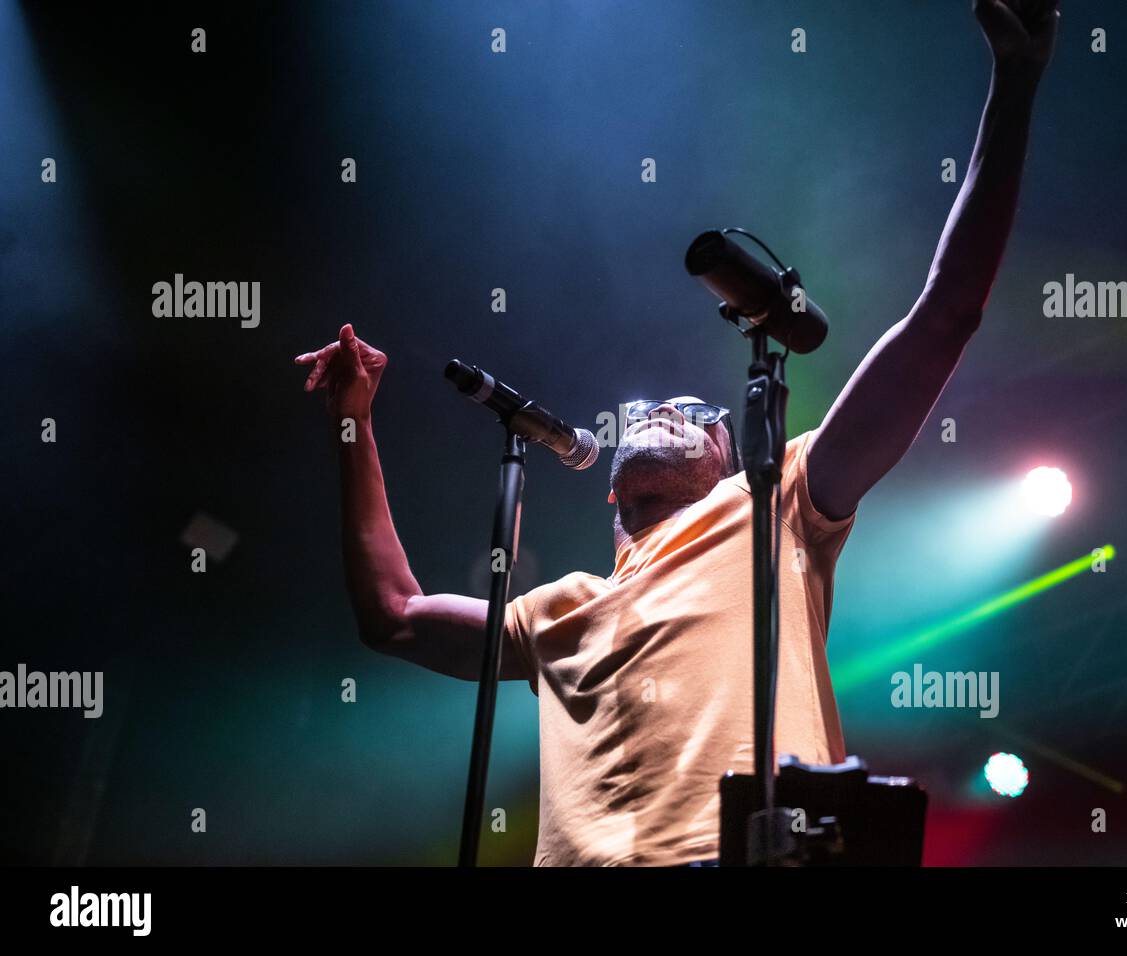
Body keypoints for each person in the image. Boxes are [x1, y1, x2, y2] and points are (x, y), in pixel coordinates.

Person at [294, 0, 1060, 866]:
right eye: (651, 411)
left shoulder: (777, 504)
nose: (666, 412)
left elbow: (944, 316)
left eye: (696, 414)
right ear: (610, 484)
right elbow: (391, 617)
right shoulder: (559, 612)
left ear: (734, 459)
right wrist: (354, 425)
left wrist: (1016, 83)